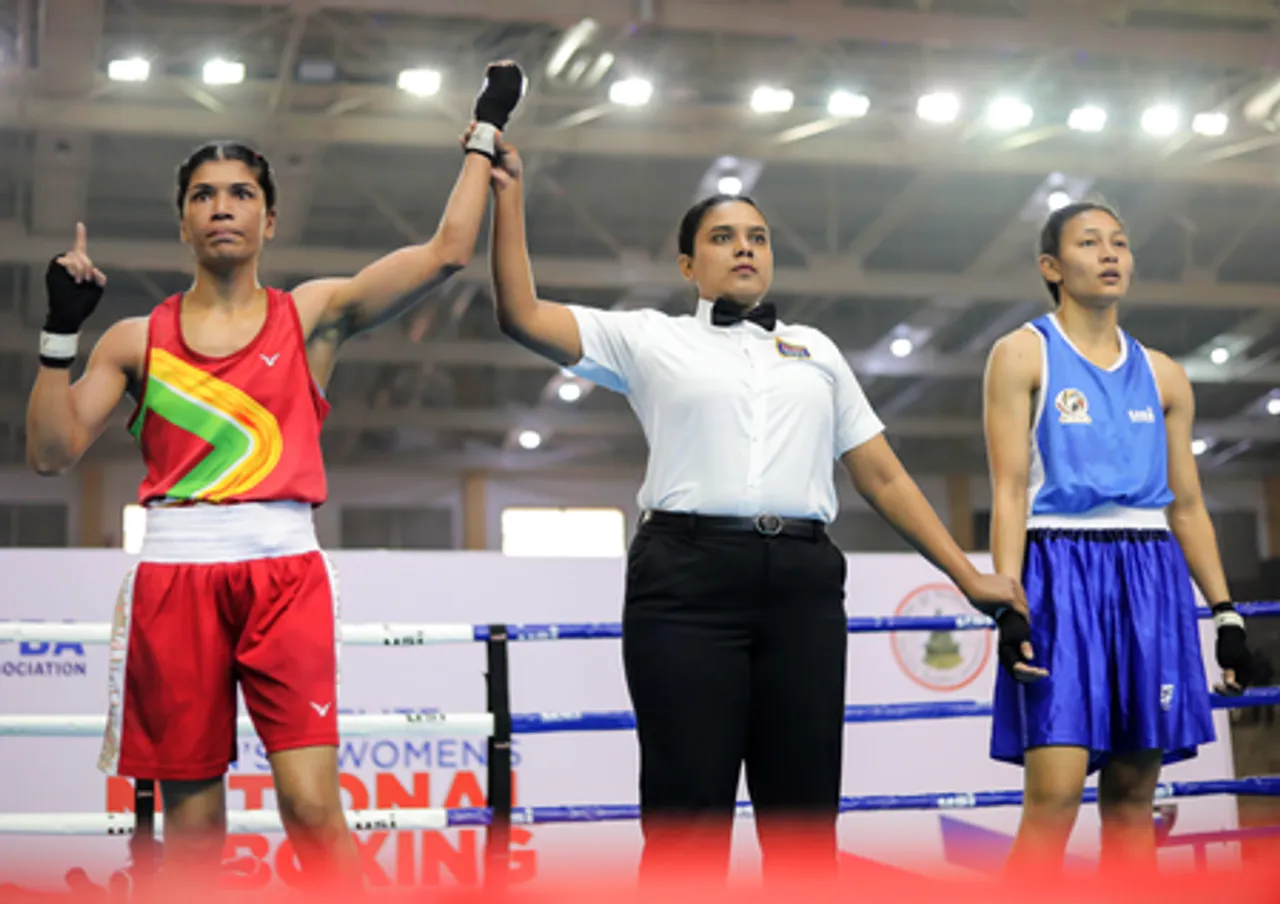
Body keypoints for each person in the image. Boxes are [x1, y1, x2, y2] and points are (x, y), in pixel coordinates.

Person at [24, 61, 526, 892]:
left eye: (241, 193)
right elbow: (49, 454)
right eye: (204, 195)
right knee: (191, 833)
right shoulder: (131, 339)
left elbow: (446, 253)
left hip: (285, 577)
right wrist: (57, 334)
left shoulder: (314, 315)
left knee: (313, 809)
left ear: (269, 217)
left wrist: (482, 129)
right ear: (183, 222)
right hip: (174, 579)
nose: (222, 206)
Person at [481, 137, 1027, 882]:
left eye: (758, 237)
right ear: (688, 266)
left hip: (802, 586)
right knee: (686, 819)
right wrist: (508, 195)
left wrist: (970, 576)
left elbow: (885, 479)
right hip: (684, 583)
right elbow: (520, 313)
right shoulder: (649, 338)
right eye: (723, 237)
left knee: (804, 824)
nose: (745, 248)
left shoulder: (818, 351)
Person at [981, 199, 1265, 874]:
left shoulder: (1163, 372)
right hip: (1057, 567)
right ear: (1052, 266)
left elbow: (1188, 505)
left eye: (1120, 242)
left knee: (1136, 796)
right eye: (1089, 242)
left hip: (1150, 575)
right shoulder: (1022, 352)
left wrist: (1225, 614)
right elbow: (1009, 492)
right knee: (1052, 797)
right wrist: (1007, 602)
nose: (1110, 254)